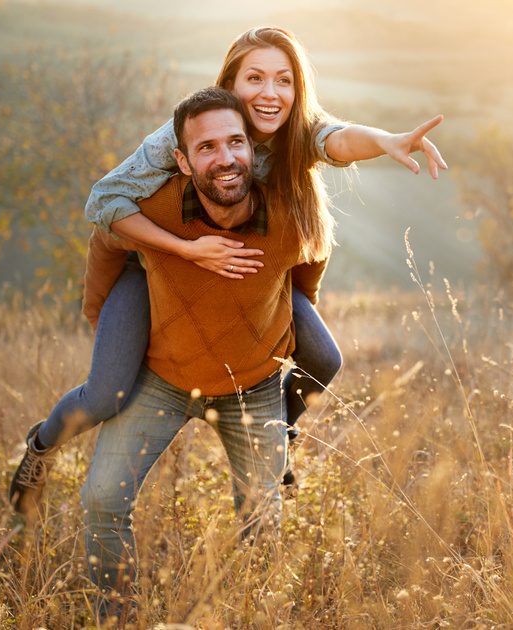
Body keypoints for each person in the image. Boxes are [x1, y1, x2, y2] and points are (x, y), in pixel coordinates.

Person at [7, 26, 447, 515]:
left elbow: (337, 140)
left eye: (284, 80)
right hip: (155, 264)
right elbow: (103, 203)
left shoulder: (295, 130)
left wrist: (387, 140)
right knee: (107, 392)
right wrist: (186, 248)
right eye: (255, 77)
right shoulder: (186, 134)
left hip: (249, 272)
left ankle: (280, 440)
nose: (270, 92)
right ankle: (41, 447)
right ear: (230, 85)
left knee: (322, 357)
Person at [80, 86, 321, 619]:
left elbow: (309, 263)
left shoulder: (287, 212)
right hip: (160, 379)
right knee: (101, 499)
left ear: (253, 151)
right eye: (207, 148)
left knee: (264, 517)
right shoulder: (156, 210)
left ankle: (256, 615)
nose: (226, 157)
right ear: (182, 162)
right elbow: (105, 237)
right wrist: (98, 314)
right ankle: (115, 616)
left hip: (252, 387)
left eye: (235, 142)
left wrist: (287, 321)